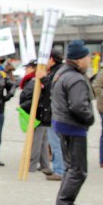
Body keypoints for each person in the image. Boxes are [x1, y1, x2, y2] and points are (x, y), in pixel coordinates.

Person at [51, 40, 95, 205]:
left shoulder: (61, 72)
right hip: (73, 126)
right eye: (88, 57)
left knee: (70, 166)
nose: (90, 60)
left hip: (62, 123)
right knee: (78, 169)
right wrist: (90, 118)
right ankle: (65, 203)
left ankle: (63, 200)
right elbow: (78, 106)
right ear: (79, 59)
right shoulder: (76, 78)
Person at [19, 60, 51, 173]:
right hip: (43, 114)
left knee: (36, 142)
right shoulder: (38, 80)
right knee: (42, 141)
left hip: (37, 115)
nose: (25, 70)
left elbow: (28, 98)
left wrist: (22, 107)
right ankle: (45, 165)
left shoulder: (33, 81)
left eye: (27, 67)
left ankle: (31, 165)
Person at [45, 50, 65, 181]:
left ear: (51, 59)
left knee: (56, 143)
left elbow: (51, 87)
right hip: (55, 112)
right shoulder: (60, 71)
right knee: (55, 142)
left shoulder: (58, 72)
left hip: (56, 113)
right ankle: (58, 167)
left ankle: (60, 170)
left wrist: (42, 78)